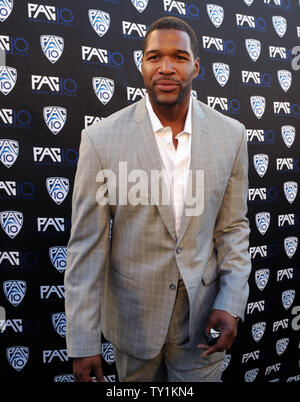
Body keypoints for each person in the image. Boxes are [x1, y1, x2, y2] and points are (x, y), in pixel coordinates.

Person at [64, 16, 251, 382]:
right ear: (142, 64)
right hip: (133, 325)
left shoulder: (231, 136)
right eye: (154, 57)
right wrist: (82, 341)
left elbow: (232, 228)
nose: (166, 67)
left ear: (196, 66)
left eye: (179, 57)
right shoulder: (101, 140)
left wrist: (231, 302)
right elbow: (86, 248)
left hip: (203, 323)